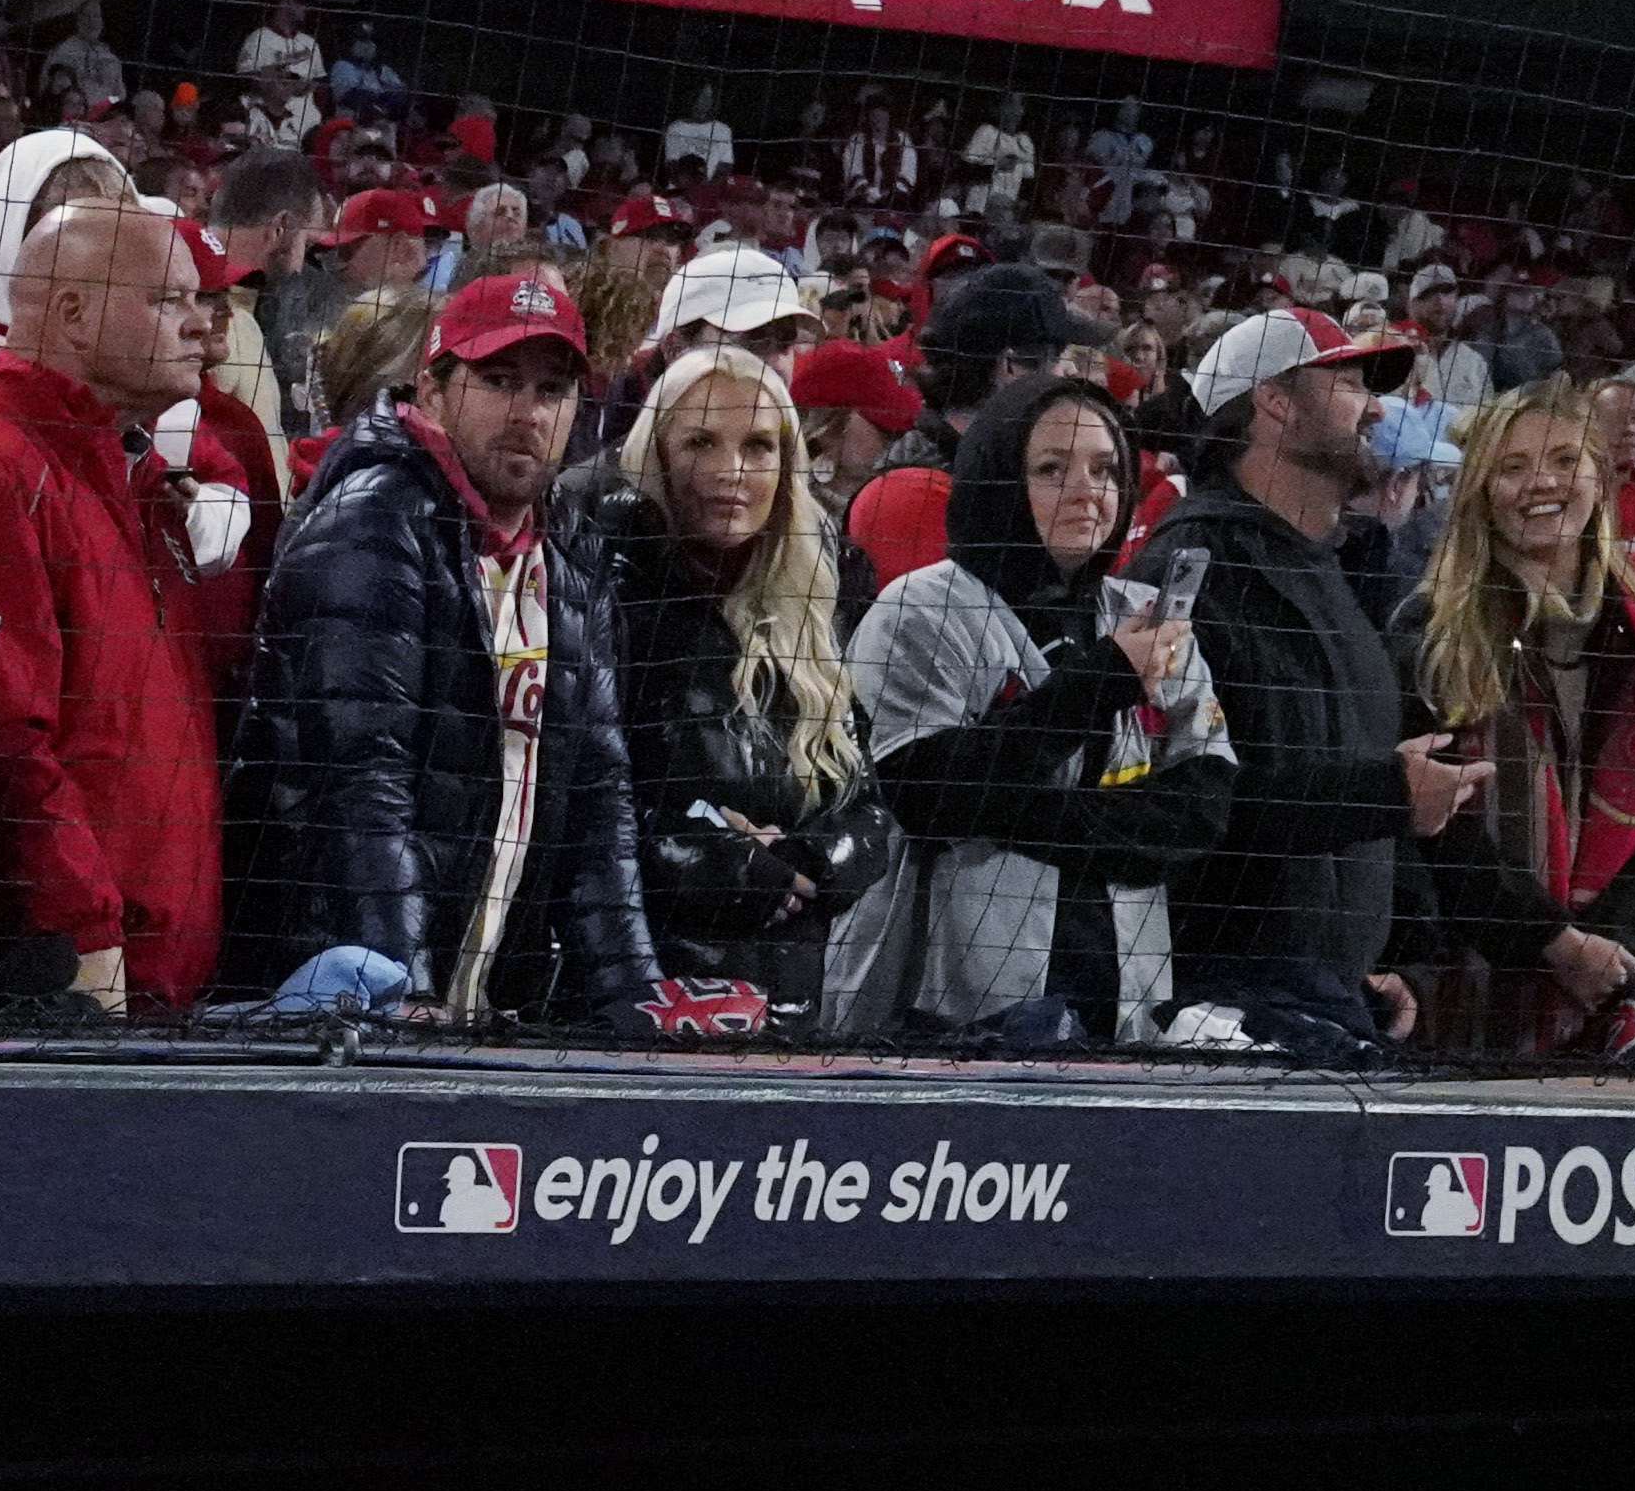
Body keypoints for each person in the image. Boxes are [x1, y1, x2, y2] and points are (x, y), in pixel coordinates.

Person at [229, 259, 661, 1030]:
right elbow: (360, 780)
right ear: (430, 388)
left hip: (480, 995)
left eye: (551, 390)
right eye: (498, 381)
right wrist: (404, 991)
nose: (526, 412)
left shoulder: (567, 551)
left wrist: (635, 1003)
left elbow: (597, 794)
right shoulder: (372, 522)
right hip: (334, 995)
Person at [0, 183, 218, 1012]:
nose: (199, 323)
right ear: (70, 313)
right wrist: (83, 929)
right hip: (57, 985)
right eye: (168, 299)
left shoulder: (124, 478)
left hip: (151, 980)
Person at [828, 370, 1225, 1046]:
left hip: (1125, 1017)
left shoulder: (1145, 617)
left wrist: (1012, 813)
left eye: (1105, 470)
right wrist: (1101, 683)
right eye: (1050, 469)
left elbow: (1198, 812)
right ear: (997, 480)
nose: (1087, 492)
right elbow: (926, 794)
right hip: (937, 1020)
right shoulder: (920, 610)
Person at [1160, 300, 1473, 1061]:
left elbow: (1344, 788)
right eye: (1348, 385)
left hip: (1325, 1001)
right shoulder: (1194, 568)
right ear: (1273, 401)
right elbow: (1182, 809)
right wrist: (1385, 795)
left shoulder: (1331, 569)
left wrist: (1383, 955)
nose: (1375, 409)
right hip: (1220, 1018)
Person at [557, 336, 863, 1018]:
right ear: (655, 455)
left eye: (759, 446)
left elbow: (868, 796)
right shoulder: (600, 595)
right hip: (634, 984)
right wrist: (710, 861)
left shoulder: (816, 598)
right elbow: (573, 800)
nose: (733, 469)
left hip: (792, 983)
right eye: (700, 443)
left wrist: (809, 858)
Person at [1397, 380, 1635, 1062]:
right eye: (1511, 466)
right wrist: (1553, 942)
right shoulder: (1427, 634)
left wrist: (1607, 952)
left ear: (1599, 477)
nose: (1541, 483)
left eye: (1564, 460)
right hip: (1468, 993)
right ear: (1480, 492)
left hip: (1623, 989)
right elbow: (1437, 832)